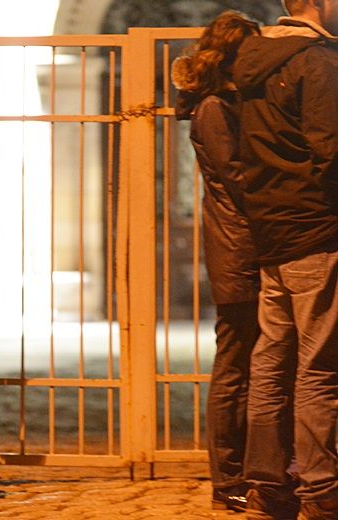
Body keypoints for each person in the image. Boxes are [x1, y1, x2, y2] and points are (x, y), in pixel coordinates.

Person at [231, 1, 338, 518]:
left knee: (271, 364)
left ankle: (266, 490)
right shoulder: (316, 62)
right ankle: (321, 494)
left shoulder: (250, 62)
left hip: (271, 234)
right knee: (318, 370)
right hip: (316, 233)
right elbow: (331, 152)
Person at [171, 10, 262, 513]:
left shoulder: (225, 102)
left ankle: (245, 468)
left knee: (248, 362)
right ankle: (228, 476)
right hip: (237, 248)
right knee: (235, 365)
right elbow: (238, 177)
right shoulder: (215, 108)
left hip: (240, 244)